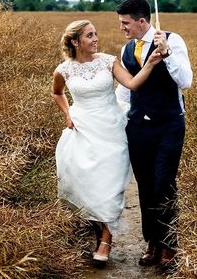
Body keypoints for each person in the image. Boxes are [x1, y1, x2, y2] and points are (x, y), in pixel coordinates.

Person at [51, 19, 163, 267]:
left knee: (109, 185)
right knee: (85, 183)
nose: (95, 39)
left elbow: (133, 84)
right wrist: (68, 114)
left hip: (112, 130)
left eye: (96, 34)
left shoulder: (108, 61)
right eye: (90, 35)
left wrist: (152, 62)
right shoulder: (64, 69)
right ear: (75, 41)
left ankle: (106, 239)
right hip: (82, 131)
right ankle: (98, 228)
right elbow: (57, 93)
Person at [115, 0, 192, 271]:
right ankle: (153, 243)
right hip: (137, 128)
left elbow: (186, 81)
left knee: (164, 184)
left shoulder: (173, 40)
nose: (122, 28)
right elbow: (125, 91)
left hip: (169, 125)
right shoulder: (126, 50)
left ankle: (170, 245)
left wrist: (167, 53)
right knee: (146, 187)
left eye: (126, 23)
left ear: (142, 21)